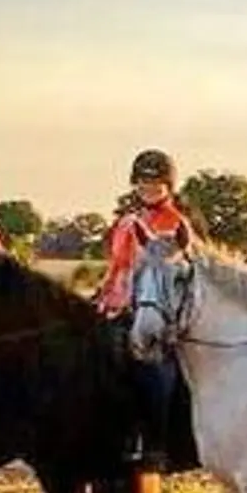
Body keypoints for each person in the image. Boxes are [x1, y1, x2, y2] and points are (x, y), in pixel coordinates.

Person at [97, 149, 197, 465]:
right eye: (142, 182)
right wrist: (102, 295)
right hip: (115, 306)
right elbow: (117, 266)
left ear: (169, 185)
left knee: (154, 367)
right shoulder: (127, 222)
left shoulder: (176, 224)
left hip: (154, 310)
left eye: (155, 182)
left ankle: (156, 443)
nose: (148, 188)